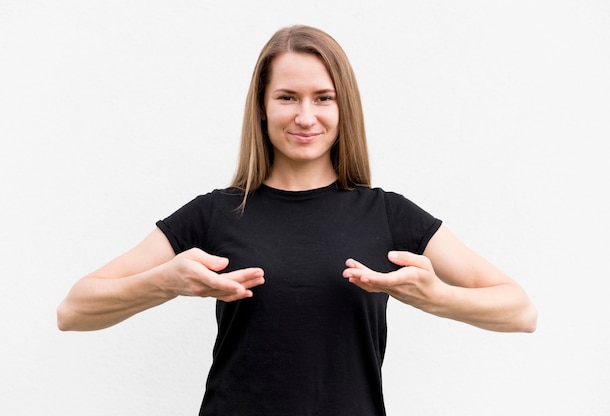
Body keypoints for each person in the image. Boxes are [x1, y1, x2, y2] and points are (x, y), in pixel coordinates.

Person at [57, 25, 536, 415]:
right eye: (287, 97)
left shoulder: (387, 214)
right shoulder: (216, 212)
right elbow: (73, 310)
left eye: (323, 98)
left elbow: (520, 311)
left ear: (343, 106)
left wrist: (438, 298)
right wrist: (163, 282)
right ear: (262, 108)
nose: (306, 116)